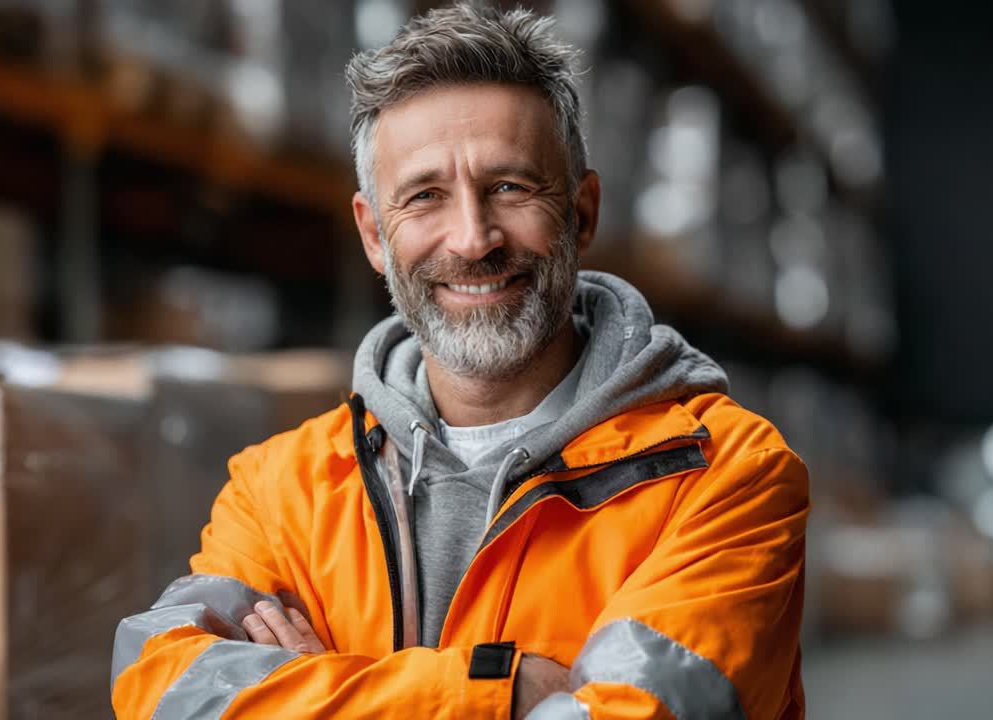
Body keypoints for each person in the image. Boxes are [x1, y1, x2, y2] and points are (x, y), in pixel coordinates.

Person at [111, 4, 809, 719]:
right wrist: (500, 694)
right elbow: (163, 690)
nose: (473, 239)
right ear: (374, 235)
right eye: (425, 197)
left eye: (509, 187)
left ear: (582, 212)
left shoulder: (725, 476)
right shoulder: (281, 492)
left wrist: (319, 692)